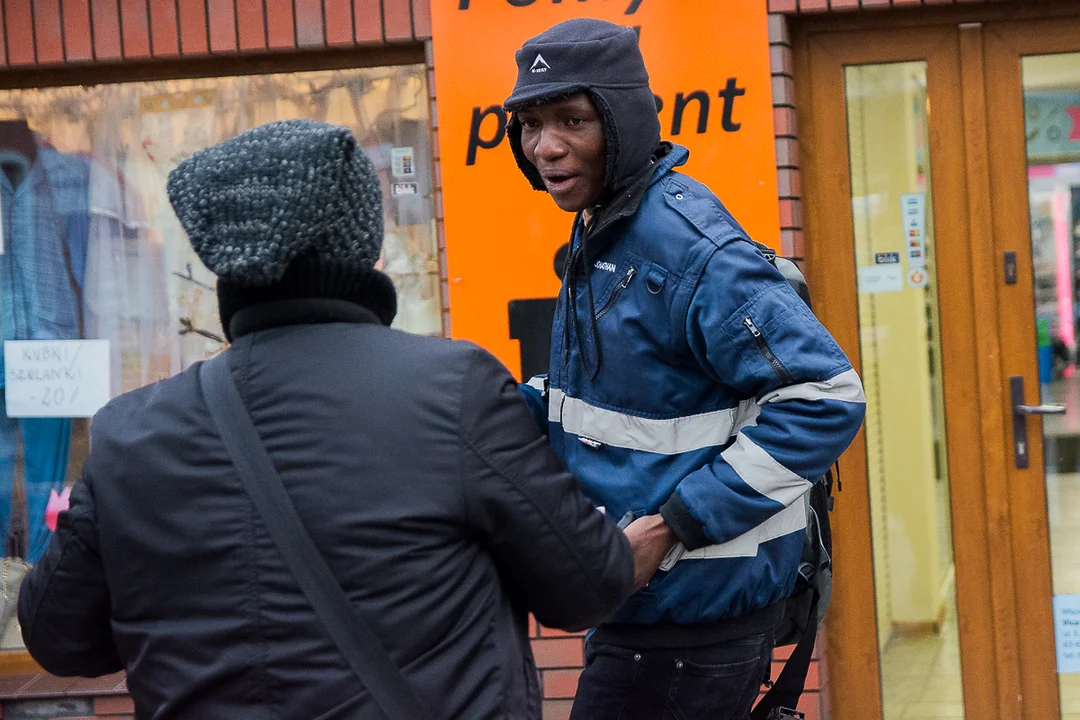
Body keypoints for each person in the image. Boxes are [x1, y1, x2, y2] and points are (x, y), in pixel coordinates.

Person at [17, 119, 635, 720]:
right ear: (364, 241)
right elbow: (583, 585)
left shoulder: (129, 435)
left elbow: (60, 638)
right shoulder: (453, 389)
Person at [506, 19, 867, 720]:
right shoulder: (607, 224)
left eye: (572, 120)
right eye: (530, 124)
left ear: (623, 120)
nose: (546, 147)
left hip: (691, 627)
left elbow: (829, 395)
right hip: (643, 607)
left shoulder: (686, 246)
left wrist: (670, 526)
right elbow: (625, 404)